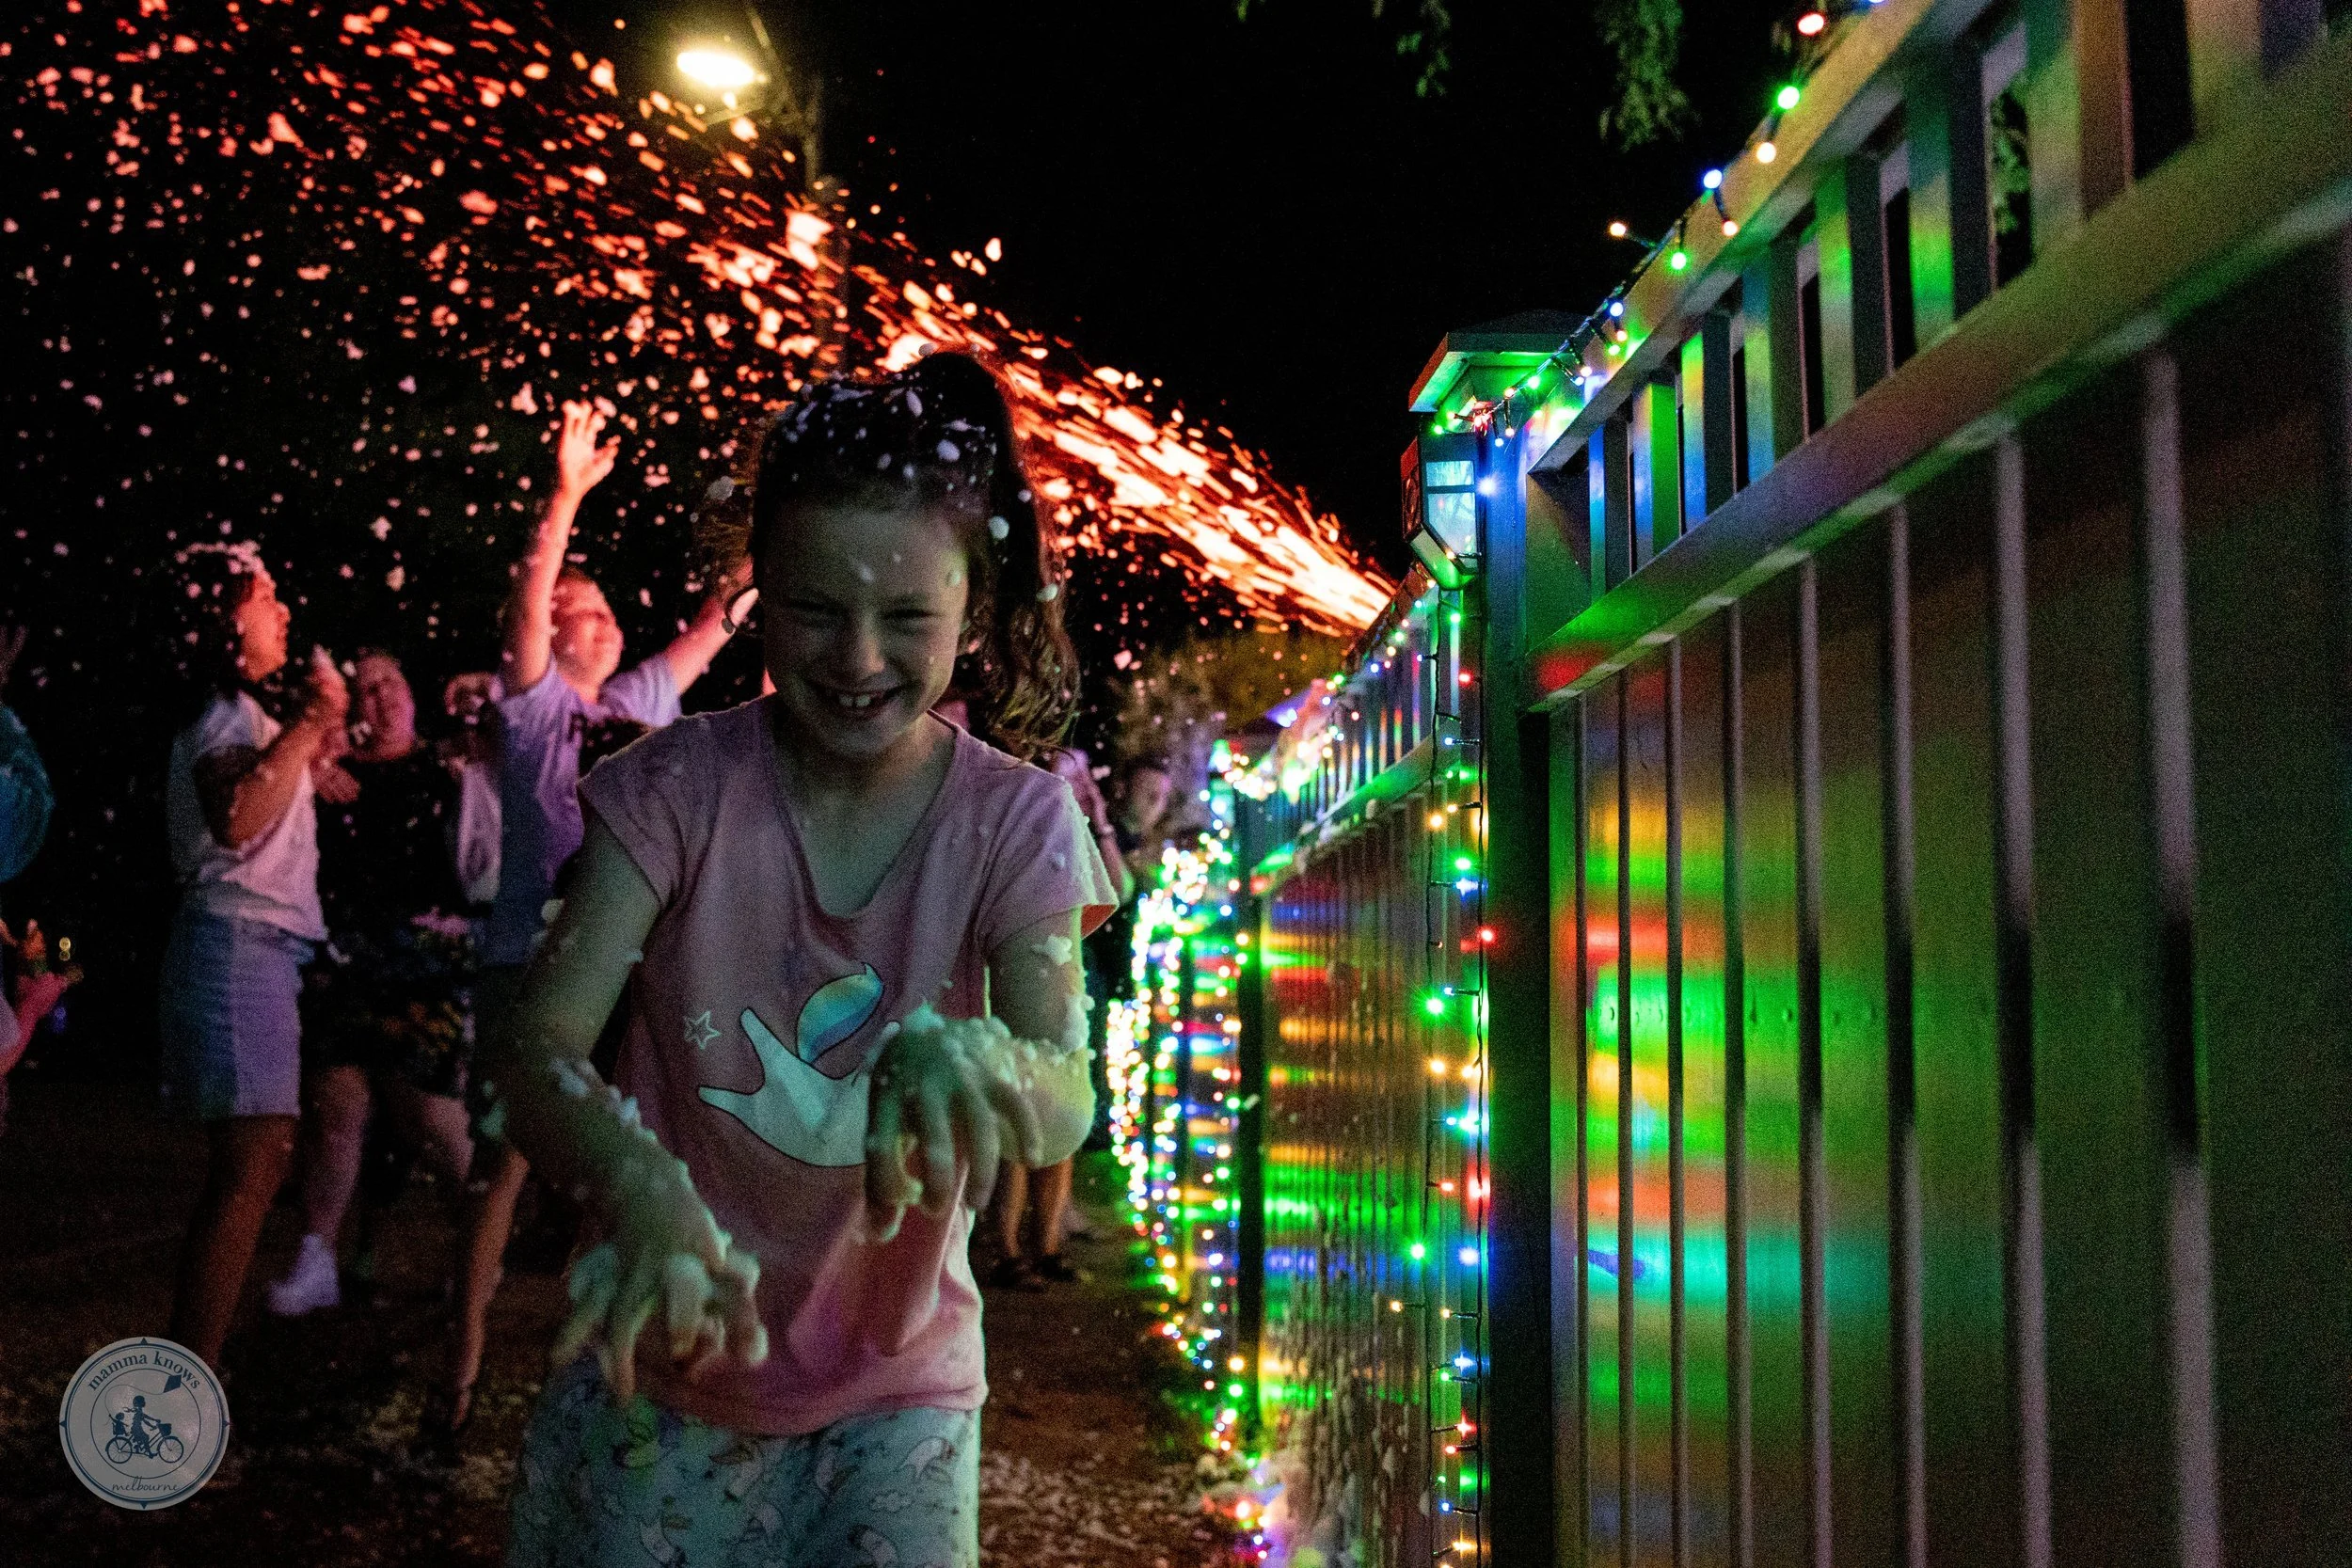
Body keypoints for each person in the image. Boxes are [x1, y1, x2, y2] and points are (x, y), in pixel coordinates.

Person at [486, 350, 1112, 1567]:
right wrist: (633, 1182)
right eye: (817, 610)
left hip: (899, 1396)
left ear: (975, 611)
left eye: (907, 619)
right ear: (757, 591)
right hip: (661, 1372)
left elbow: (1065, 1099)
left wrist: (986, 1060)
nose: (859, 657)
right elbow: (534, 1040)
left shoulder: (1017, 820)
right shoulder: (670, 790)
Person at [437, 399, 745, 1449]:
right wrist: (564, 497)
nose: (602, 621)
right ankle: (460, 1365)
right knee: (502, 1168)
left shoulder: (641, 706)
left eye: (609, 609)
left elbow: (718, 622)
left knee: (619, 1169)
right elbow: (526, 602)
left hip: (618, 970)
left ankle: (608, 1381)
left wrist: (769, 538)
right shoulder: (534, 709)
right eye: (582, 608)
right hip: (525, 966)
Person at [156, 542, 346, 1370]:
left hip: (255, 948)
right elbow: (237, 817)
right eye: (265, 596)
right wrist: (309, 722)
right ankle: (189, 1375)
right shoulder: (224, 714)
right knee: (251, 1162)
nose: (284, 610)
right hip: (235, 945)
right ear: (223, 619)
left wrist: (311, 744)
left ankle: (193, 1365)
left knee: (257, 1161)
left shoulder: (243, 718)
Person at [267, 650, 479, 1317]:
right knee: (335, 1111)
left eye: (390, 683)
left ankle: (478, 1254)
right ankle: (317, 1259)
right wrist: (312, 766)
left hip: (426, 961)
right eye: (364, 690)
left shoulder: (448, 769)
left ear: (411, 694)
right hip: (347, 958)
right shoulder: (332, 775)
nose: (379, 697)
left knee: (431, 1118)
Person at [985, 745, 1131, 1289]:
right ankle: (1008, 1250)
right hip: (1022, 973)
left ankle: (1046, 1245)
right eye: (1062, 777)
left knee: (1063, 1111)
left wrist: (1098, 820)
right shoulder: (1018, 826)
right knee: (1018, 1117)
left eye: (1077, 779)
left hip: (1072, 979)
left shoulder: (1081, 834)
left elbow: (1119, 890)